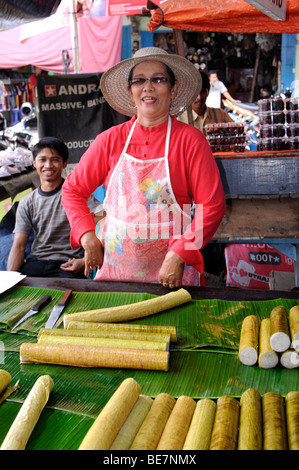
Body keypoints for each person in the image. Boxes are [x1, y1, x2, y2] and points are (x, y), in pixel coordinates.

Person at [61, 47, 226, 288]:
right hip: (115, 275)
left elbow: (211, 206)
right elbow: (72, 191)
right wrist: (87, 236)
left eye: (158, 79)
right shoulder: (109, 140)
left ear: (174, 89)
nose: (148, 87)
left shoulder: (190, 140)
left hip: (174, 275)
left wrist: (181, 251)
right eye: (139, 81)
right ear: (130, 91)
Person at [7, 137, 101, 278]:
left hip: (68, 265)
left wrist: (83, 261)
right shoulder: (27, 202)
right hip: (36, 263)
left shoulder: (78, 195)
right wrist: (9, 281)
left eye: (55, 160)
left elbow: (104, 223)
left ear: (65, 164)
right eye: (42, 160)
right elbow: (19, 246)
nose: (48, 165)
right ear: (34, 163)